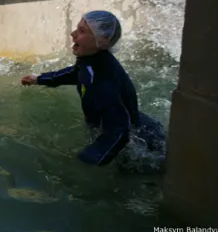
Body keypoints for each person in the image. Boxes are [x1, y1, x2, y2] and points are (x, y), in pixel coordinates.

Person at [20, 11, 165, 166]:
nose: (73, 34)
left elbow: (120, 131)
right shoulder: (90, 60)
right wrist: (39, 79)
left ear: (102, 41)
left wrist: (87, 161)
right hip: (125, 125)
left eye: (82, 31)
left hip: (142, 141)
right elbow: (75, 73)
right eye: (77, 28)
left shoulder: (104, 82)